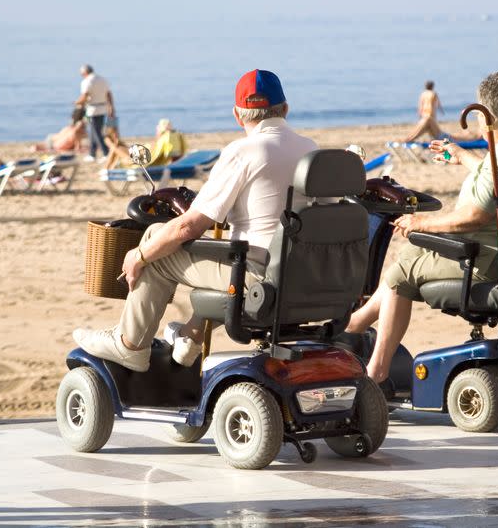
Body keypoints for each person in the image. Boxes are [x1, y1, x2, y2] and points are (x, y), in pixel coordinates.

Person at [72, 69, 318, 372]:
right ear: (285, 109)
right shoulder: (311, 150)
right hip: (307, 274)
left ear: (238, 116)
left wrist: (138, 255)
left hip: (259, 278)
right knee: (226, 248)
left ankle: (130, 344)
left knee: (156, 241)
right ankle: (190, 336)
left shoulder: (243, 151)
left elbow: (190, 226)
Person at [343, 71, 498, 383]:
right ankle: (356, 324)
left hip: (485, 261)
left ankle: (375, 369)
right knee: (413, 249)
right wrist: (463, 157)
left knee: (401, 274)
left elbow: (475, 216)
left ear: (485, 116)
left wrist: (422, 221)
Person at [75, 64, 115, 162]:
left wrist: (77, 102)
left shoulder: (87, 81)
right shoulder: (102, 79)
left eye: (82, 74)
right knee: (93, 131)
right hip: (103, 108)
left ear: (85, 73)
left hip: (92, 110)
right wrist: (111, 107)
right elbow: (109, 94)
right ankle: (92, 154)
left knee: (97, 132)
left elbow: (85, 95)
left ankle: (106, 153)